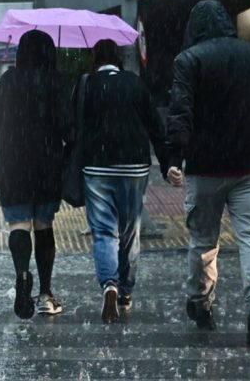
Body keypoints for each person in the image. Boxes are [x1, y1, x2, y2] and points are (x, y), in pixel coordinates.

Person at [165, 0, 250, 345]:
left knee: (204, 241)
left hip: (204, 167)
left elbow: (180, 112)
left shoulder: (188, 60)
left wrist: (174, 157)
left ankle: (201, 302)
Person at [75, 39, 167, 324]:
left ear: (95, 59)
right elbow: (154, 125)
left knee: (103, 231)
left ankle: (109, 285)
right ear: (119, 58)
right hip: (134, 165)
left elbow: (74, 124)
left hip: (97, 166)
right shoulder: (134, 83)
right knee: (129, 231)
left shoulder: (86, 84)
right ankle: (126, 291)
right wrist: (168, 162)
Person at [0, 30, 66, 319]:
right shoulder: (56, 81)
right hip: (47, 163)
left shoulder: (8, 80)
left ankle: (23, 273)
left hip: (13, 163)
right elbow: (66, 125)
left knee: (18, 224)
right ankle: (46, 293)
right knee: (43, 224)